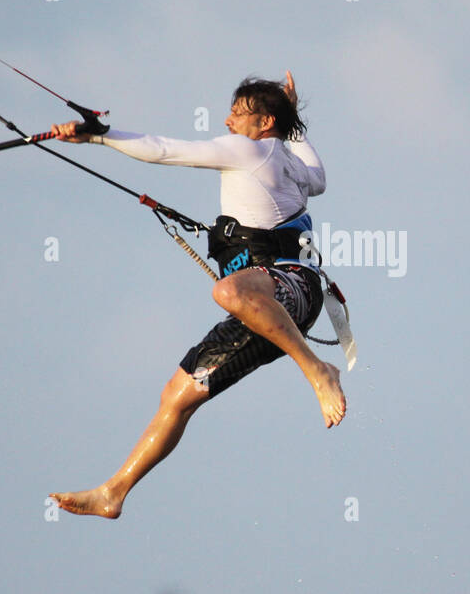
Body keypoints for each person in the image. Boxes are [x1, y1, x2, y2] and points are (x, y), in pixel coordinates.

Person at [47, 72, 345, 519]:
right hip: (277, 304)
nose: (227, 121)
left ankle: (319, 371)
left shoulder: (248, 150)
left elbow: (165, 150)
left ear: (263, 122)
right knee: (176, 395)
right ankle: (114, 493)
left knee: (228, 289)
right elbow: (313, 167)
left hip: (290, 286)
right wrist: (292, 117)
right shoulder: (297, 165)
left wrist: (100, 136)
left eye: (237, 113)